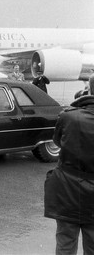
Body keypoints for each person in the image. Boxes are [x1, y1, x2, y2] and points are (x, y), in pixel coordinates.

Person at [44, 79, 94, 255]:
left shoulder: (68, 116)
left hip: (67, 190)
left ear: (89, 90)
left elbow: (58, 141)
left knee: (65, 243)